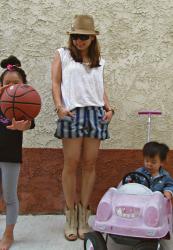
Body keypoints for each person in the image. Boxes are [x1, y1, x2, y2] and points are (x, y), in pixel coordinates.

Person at [51, 15, 114, 240]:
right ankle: (70, 214)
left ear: (92, 38)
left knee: (89, 164)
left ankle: (83, 216)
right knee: (71, 163)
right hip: (72, 112)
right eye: (75, 36)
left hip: (96, 114)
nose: (79, 41)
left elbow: (100, 88)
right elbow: (55, 82)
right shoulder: (63, 55)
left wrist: (109, 108)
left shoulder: (100, 61)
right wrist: (59, 106)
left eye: (84, 37)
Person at [0, 55, 35, 250]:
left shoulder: (25, 104)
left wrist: (23, 126)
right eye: (7, 83)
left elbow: (30, 123)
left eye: (16, 83)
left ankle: (8, 234)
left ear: (23, 86)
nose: (11, 86)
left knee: (10, 197)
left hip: (10, 157)